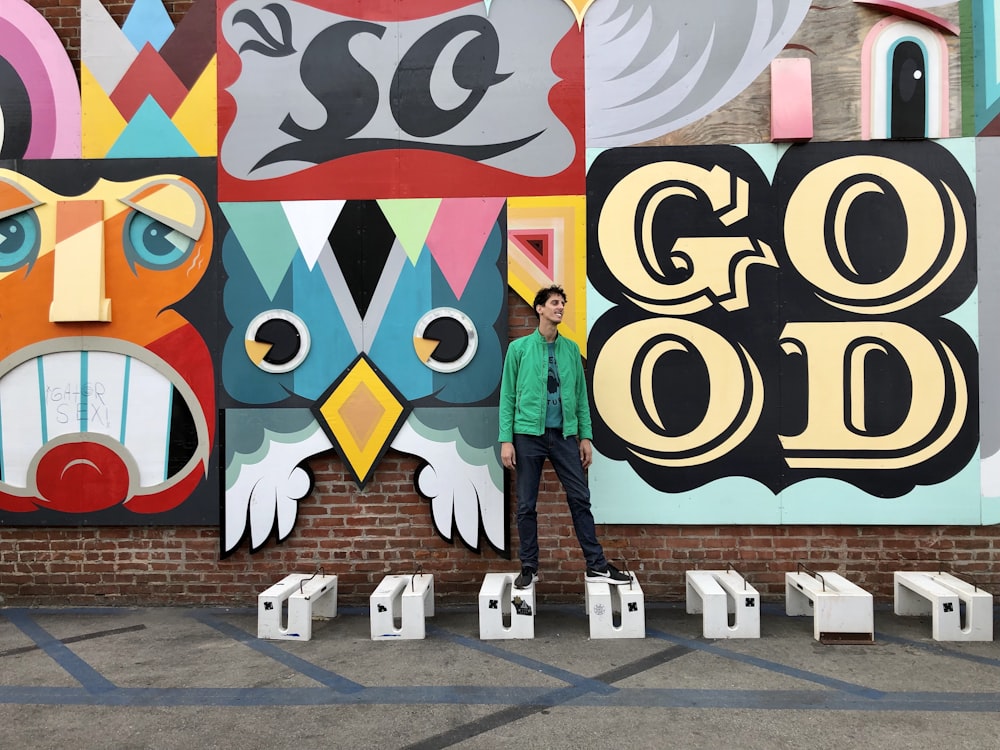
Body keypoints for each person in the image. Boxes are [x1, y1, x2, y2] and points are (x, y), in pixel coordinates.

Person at [499, 284, 630, 589]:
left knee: (580, 499)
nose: (560, 308)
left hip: (564, 436)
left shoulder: (570, 349)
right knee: (526, 505)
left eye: (563, 303)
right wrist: (506, 439)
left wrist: (585, 437)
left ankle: (596, 565)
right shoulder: (518, 350)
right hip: (527, 436)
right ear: (539, 309)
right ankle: (529, 567)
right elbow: (507, 396)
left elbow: (581, 396)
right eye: (555, 303)